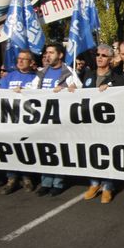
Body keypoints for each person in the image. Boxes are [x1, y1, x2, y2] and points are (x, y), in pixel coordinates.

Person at [0, 49, 42, 195]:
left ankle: (26, 177)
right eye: (19, 58)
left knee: (24, 149)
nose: (20, 61)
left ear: (31, 62)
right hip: (8, 120)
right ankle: (11, 179)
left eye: (24, 59)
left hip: (26, 121)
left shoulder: (36, 78)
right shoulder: (9, 77)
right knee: (9, 149)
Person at [38, 42, 81, 196]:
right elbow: (32, 89)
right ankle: (45, 181)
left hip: (60, 120)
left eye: (51, 53)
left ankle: (58, 182)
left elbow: (79, 89)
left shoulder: (68, 72)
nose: (48, 55)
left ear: (60, 55)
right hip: (43, 119)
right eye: (47, 53)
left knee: (58, 151)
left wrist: (67, 90)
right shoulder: (42, 72)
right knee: (45, 151)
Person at [82, 44, 121, 204]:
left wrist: (111, 90)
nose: (99, 57)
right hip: (90, 124)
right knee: (92, 154)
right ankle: (94, 183)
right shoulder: (88, 75)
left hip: (108, 126)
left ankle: (107, 186)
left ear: (110, 59)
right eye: (98, 54)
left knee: (107, 154)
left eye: (104, 55)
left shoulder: (116, 78)